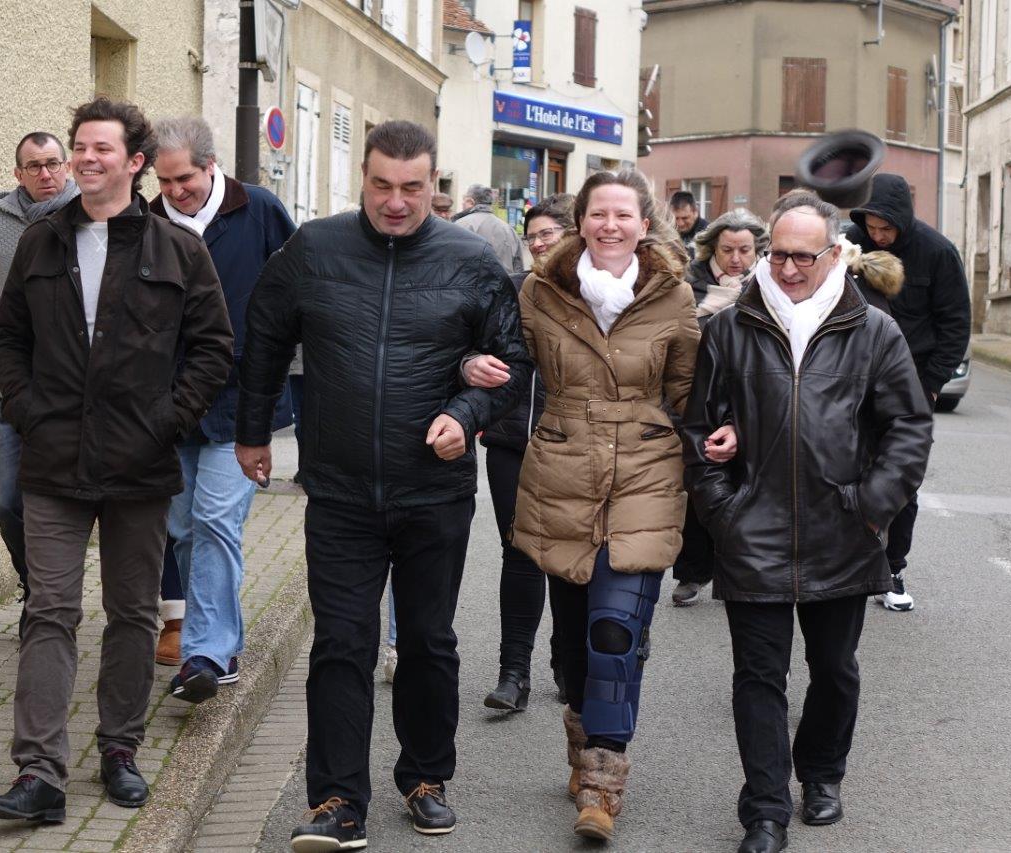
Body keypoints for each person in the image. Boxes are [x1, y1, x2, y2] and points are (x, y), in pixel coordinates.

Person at [235, 120, 531, 850]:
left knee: (428, 639)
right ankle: (337, 799)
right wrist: (250, 433)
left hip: (434, 488)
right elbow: (265, 337)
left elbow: (511, 362)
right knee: (342, 640)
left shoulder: (471, 261)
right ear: (361, 179)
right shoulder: (314, 249)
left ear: (435, 185)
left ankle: (426, 776)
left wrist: (468, 412)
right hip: (338, 488)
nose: (395, 202)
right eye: (381, 185)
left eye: (412, 187)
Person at [0, 98, 233, 822]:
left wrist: (168, 420)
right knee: (50, 609)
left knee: (131, 612)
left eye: (101, 149)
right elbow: (10, 338)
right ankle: (40, 773)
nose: (86, 159)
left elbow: (214, 347)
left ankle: (119, 748)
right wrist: (27, 410)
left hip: (140, 461)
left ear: (134, 162)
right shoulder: (40, 242)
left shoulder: (176, 249)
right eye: (79, 149)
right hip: (54, 458)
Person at [683, 190, 933, 853]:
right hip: (751, 531)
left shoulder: (874, 330)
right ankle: (764, 808)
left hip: (843, 531)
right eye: (778, 254)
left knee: (835, 668)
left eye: (803, 256)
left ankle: (822, 771)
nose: (788, 269)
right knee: (758, 676)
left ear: (834, 254)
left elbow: (908, 426)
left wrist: (871, 505)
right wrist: (721, 510)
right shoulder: (730, 330)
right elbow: (697, 428)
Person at [508, 168, 701, 843]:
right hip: (562, 470)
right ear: (580, 220)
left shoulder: (675, 297)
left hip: (645, 473)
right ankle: (582, 732)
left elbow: (687, 396)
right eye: (599, 214)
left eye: (624, 214)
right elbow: (512, 365)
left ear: (645, 224)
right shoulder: (540, 292)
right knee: (571, 648)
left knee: (615, 631)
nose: (611, 226)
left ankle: (603, 781)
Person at [147, 116, 296, 698]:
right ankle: (217, 638)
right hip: (171, 404)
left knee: (214, 520)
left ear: (211, 166)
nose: (175, 191)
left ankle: (207, 654)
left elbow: (297, 287)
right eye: (164, 182)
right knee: (183, 527)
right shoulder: (149, 222)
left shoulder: (257, 210)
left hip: (241, 402)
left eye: (184, 178)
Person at [0, 132, 79, 614]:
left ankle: (53, 599)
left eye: (52, 164)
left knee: (67, 502)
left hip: (70, 392)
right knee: (6, 499)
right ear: (18, 174)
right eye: (34, 166)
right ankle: (38, 589)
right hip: (6, 388)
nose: (45, 174)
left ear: (66, 167)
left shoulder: (86, 218)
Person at [463, 194, 575, 712]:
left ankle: (567, 661)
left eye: (548, 234)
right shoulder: (509, 291)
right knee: (521, 550)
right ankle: (514, 673)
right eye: (531, 236)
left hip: (576, 446)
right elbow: (468, 347)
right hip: (511, 441)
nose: (538, 244)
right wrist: (472, 362)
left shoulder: (593, 297)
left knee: (572, 554)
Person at [844, 173, 971, 612]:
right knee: (846, 469)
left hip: (911, 381)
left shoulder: (936, 252)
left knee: (901, 478)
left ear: (902, 220)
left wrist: (932, 385)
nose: (878, 236)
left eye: (886, 229)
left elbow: (955, 322)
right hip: (852, 378)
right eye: (871, 227)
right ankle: (849, 563)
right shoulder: (848, 244)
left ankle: (892, 568)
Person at [671, 210, 769, 607]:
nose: (736, 258)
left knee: (747, 486)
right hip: (697, 396)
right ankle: (691, 573)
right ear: (712, 248)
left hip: (752, 397)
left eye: (745, 250)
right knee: (697, 485)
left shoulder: (769, 286)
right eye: (727, 249)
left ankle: (738, 570)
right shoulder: (688, 286)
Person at [454, 183, 525, 273]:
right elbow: (518, 269)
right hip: (504, 285)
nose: (462, 205)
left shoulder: (459, 226)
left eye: (463, 201)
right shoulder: (509, 230)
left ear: (470, 202)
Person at [670, 190, 709, 258]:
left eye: (685, 218)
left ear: (695, 213)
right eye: (676, 218)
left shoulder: (708, 233)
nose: (680, 224)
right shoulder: (668, 232)